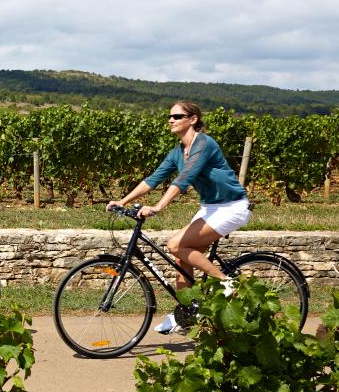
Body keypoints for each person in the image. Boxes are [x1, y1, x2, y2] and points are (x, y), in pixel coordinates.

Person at [107, 101, 251, 335]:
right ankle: (186, 314)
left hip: (232, 207)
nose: (171, 120)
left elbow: (184, 178)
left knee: (175, 244)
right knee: (182, 259)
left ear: (193, 119)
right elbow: (153, 179)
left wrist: (158, 207)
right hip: (210, 207)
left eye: (177, 116)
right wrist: (122, 201)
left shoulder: (204, 144)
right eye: (169, 116)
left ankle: (227, 282)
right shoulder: (177, 152)